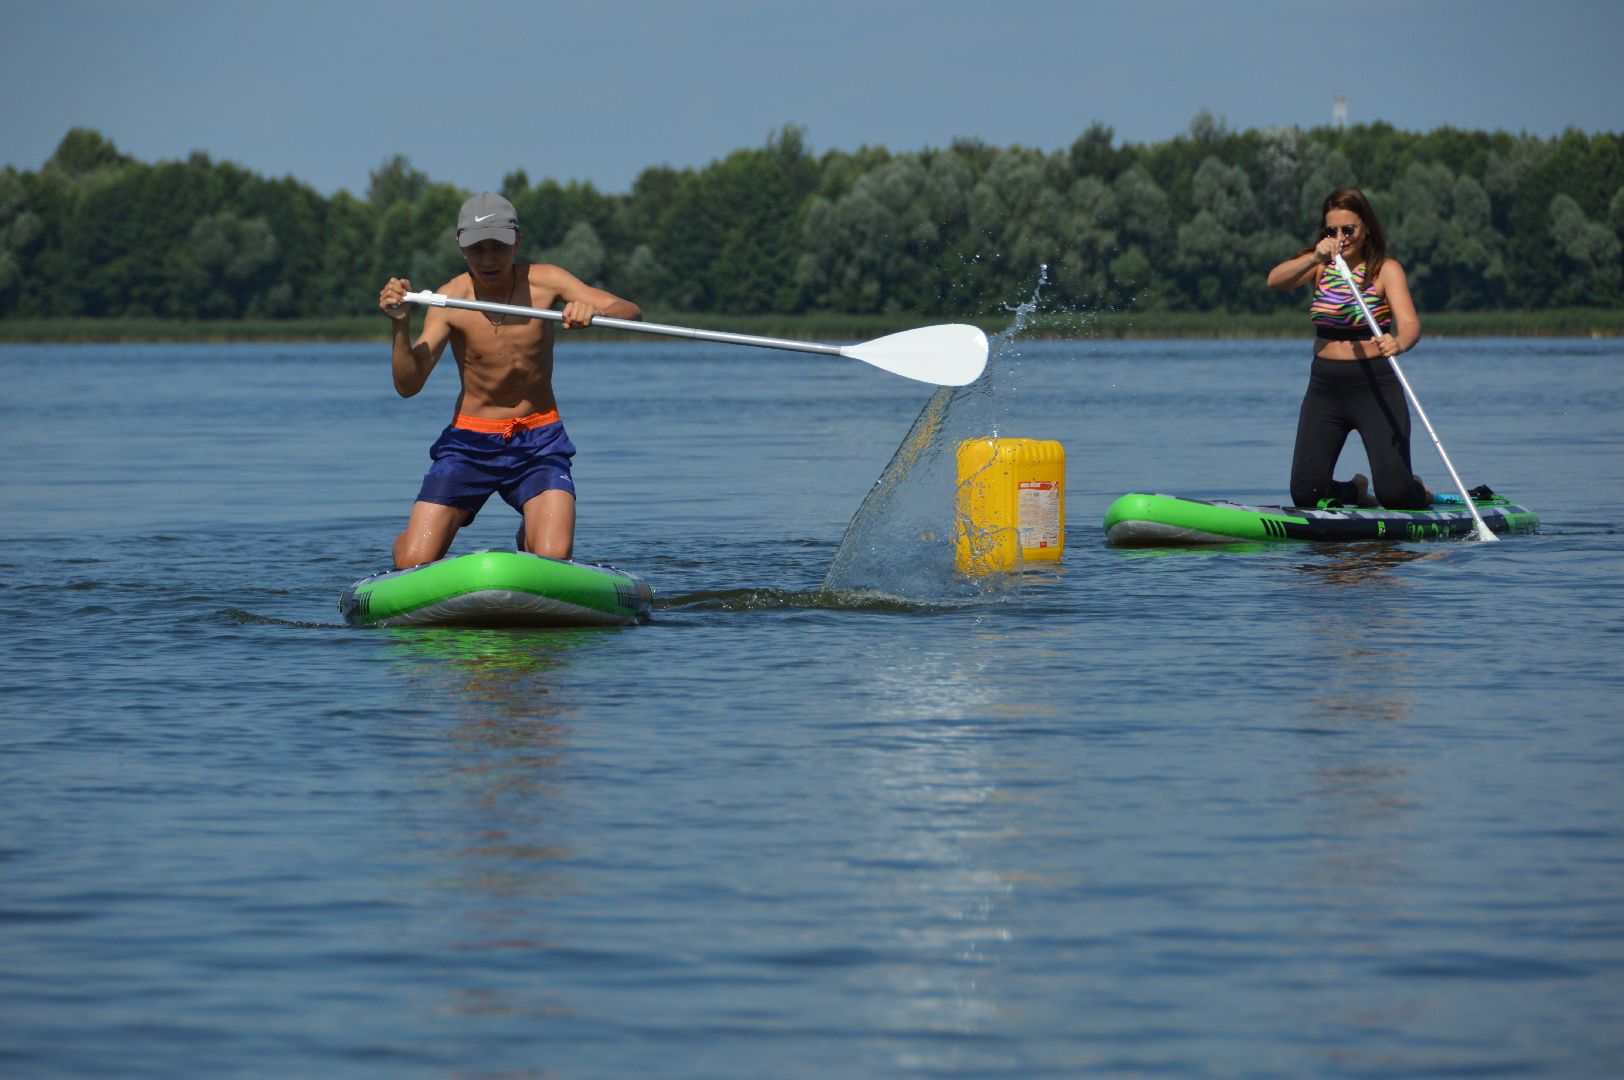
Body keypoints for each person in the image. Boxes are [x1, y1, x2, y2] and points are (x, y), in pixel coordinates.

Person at [377, 192, 640, 569]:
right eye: (477, 248)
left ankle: (532, 532)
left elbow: (627, 309)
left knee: (553, 557)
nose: (488, 259)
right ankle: (411, 539)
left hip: (539, 440)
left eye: (498, 247)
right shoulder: (449, 300)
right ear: (460, 246)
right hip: (469, 442)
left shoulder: (547, 281)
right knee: (413, 561)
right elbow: (409, 384)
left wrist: (590, 309)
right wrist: (400, 327)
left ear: (517, 242)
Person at [1267, 187, 1430, 509]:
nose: (1340, 237)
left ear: (1366, 227)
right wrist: (1314, 256)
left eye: (1348, 229)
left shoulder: (1386, 269)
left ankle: (1416, 489)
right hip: (1325, 386)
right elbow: (1275, 281)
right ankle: (1354, 492)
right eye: (1332, 230)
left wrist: (1398, 342)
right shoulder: (1319, 264)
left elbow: (1411, 325)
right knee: (1305, 495)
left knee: (1394, 495)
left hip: (1374, 384)